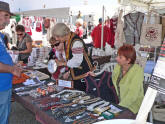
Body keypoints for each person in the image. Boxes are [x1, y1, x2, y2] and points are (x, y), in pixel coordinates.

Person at [52, 23, 95, 91]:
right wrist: (69, 72)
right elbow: (71, 58)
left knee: (82, 94)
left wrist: (62, 63)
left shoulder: (76, 42)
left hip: (84, 74)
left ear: (64, 34)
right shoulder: (68, 40)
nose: (57, 38)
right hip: (77, 74)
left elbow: (77, 61)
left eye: (58, 36)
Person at [0, 1, 22, 124]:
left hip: (4, 86)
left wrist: (12, 65)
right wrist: (12, 69)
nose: (8, 20)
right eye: (6, 16)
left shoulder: (0, 35)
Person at [112, 44, 144, 116]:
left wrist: (119, 108)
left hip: (133, 106)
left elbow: (132, 95)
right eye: (117, 56)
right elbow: (111, 81)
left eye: (120, 57)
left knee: (113, 119)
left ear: (128, 60)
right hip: (118, 102)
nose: (117, 59)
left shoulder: (137, 71)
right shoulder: (118, 67)